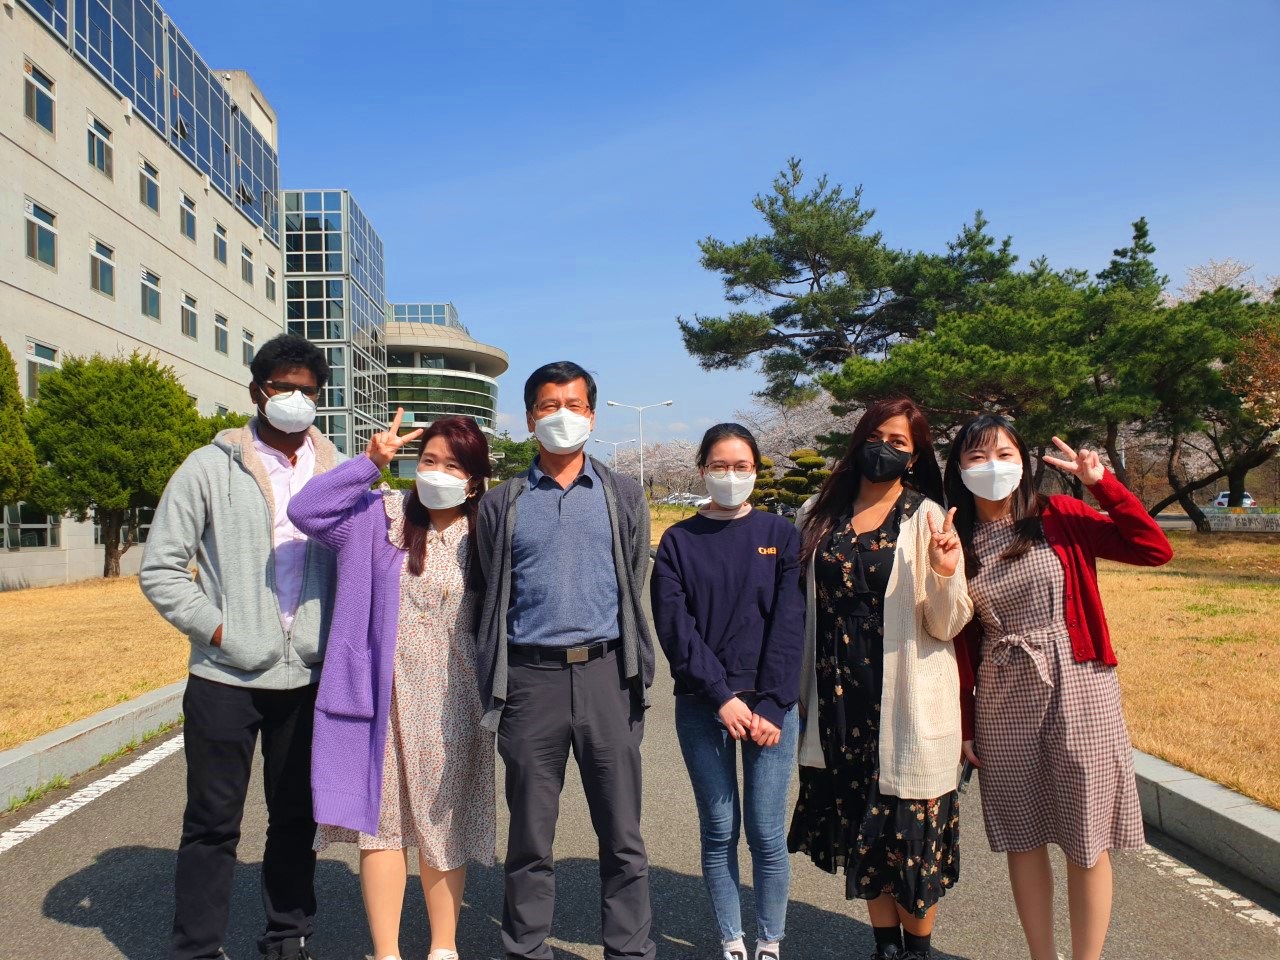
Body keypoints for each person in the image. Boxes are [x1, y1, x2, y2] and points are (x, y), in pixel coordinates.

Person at [140, 334, 341, 960]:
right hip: (225, 678)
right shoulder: (208, 467)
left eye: (308, 390)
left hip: (307, 677)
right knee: (212, 823)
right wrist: (223, 632)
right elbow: (162, 569)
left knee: (296, 819)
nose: (295, 399)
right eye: (283, 387)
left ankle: (287, 936)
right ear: (257, 390)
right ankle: (197, 948)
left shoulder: (337, 472)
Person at [944, 417, 1172, 960]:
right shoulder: (955, 538)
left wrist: (1103, 485)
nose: (992, 466)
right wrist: (966, 723)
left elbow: (1153, 548)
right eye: (977, 457)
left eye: (1004, 454)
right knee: (1023, 836)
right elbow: (961, 643)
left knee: (1085, 837)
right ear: (958, 469)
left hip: (1079, 685)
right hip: (1003, 693)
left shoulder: (1059, 515)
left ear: (1023, 462)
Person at [287, 412, 496, 960]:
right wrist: (369, 462)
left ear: (474, 480)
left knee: (442, 823)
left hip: (453, 700)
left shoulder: (487, 534)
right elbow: (306, 510)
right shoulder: (379, 515)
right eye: (429, 460)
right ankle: (386, 953)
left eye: (452, 466)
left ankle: (444, 947)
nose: (437, 473)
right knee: (380, 826)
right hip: (378, 695)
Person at [474, 361, 656, 960]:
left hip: (607, 674)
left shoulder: (622, 494)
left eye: (574, 405)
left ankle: (629, 950)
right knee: (530, 837)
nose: (562, 416)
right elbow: (488, 587)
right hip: (530, 680)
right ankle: (526, 949)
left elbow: (633, 578)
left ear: (592, 416)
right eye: (549, 406)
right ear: (530, 418)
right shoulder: (501, 502)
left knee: (623, 834)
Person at [786, 398, 971, 960]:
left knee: (911, 836)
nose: (884, 449)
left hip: (906, 699)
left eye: (899, 443)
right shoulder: (818, 512)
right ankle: (885, 947)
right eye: (876, 437)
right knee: (863, 832)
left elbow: (948, 623)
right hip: (838, 700)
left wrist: (944, 571)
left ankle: (919, 951)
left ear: (914, 458)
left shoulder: (929, 518)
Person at [651, 424, 805, 960]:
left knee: (766, 833)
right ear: (702, 470)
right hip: (703, 704)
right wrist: (721, 695)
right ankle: (732, 939)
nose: (731, 475)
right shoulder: (678, 541)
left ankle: (769, 940)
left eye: (742, 467)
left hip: (771, 708)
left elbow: (790, 623)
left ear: (756, 471)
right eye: (720, 466)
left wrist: (772, 703)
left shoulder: (780, 533)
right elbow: (676, 629)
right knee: (719, 829)